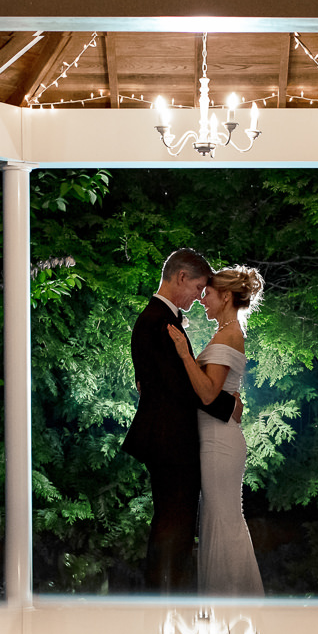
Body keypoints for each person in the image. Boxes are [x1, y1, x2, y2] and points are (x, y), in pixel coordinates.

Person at [121, 248, 239, 592]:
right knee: (174, 526)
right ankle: (165, 603)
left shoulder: (157, 318)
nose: (199, 296)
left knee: (176, 524)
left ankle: (167, 603)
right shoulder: (159, 321)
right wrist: (228, 407)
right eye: (198, 287)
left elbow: (157, 382)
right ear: (181, 277)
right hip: (171, 440)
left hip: (169, 437)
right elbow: (180, 387)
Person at [168, 265, 265, 597]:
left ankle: (234, 607)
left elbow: (208, 393)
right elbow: (228, 396)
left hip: (218, 442)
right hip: (217, 436)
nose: (202, 298)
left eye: (207, 292)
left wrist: (183, 353)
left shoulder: (229, 334)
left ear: (225, 296)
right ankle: (227, 610)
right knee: (219, 521)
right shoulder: (228, 331)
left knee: (224, 523)